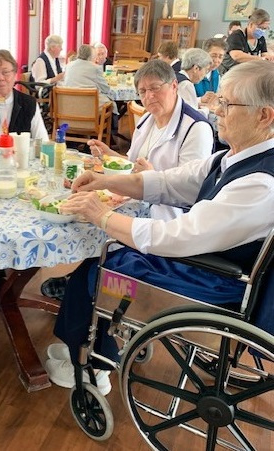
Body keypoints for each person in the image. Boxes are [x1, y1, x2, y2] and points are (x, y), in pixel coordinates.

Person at [43, 60, 274, 394]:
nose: (217, 111)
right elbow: (168, 181)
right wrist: (106, 181)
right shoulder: (234, 157)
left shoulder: (260, 183)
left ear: (264, 115)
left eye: (227, 104)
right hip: (208, 260)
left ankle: (92, 366)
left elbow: (177, 236)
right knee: (106, 256)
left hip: (215, 280)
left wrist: (102, 216)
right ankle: (105, 342)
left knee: (99, 269)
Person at [86, 59, 214, 221]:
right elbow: (134, 166)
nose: (149, 96)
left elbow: (190, 189)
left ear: (174, 86)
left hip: (170, 219)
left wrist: (151, 177)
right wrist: (110, 154)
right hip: (138, 200)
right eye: (142, 91)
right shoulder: (148, 119)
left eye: (155, 88)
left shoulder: (196, 129)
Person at [63, 44, 118, 115]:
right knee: (111, 104)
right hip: (90, 106)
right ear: (91, 56)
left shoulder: (68, 66)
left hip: (71, 105)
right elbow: (105, 89)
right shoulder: (95, 68)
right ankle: (113, 123)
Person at [220, 8, 274, 74]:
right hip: (229, 72)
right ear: (251, 24)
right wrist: (260, 59)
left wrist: (269, 58)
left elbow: (264, 54)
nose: (262, 31)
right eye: (260, 28)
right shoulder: (236, 36)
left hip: (245, 71)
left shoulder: (261, 39)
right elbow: (237, 56)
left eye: (264, 29)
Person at [194, 38, 227, 105]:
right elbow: (181, 99)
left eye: (220, 57)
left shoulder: (217, 75)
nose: (217, 60)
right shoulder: (193, 72)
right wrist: (200, 99)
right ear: (204, 54)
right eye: (213, 56)